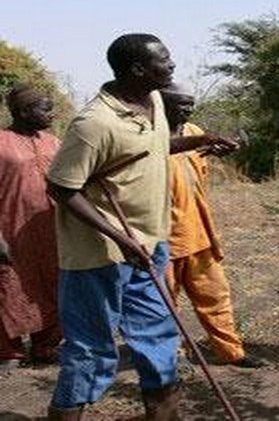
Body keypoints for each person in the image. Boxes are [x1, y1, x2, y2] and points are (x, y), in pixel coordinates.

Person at [46, 33, 238, 420]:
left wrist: (202, 139)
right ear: (137, 69)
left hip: (148, 248)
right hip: (97, 256)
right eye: (164, 61)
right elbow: (61, 187)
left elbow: (150, 146)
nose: (171, 66)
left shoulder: (152, 101)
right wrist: (118, 236)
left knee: (159, 342)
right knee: (90, 351)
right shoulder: (94, 123)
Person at [160, 83, 262, 369]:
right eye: (180, 104)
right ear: (161, 103)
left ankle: (232, 352)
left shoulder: (193, 132)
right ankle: (174, 357)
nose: (187, 109)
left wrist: (218, 149)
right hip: (162, 238)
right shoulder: (148, 135)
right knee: (166, 303)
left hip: (199, 232)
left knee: (216, 295)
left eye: (190, 104)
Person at [0, 85, 62, 369]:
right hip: (12, 228)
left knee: (51, 284)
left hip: (51, 229)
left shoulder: (53, 142)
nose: (52, 114)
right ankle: (8, 350)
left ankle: (45, 345)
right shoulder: (1, 142)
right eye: (45, 108)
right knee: (9, 286)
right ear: (24, 112)